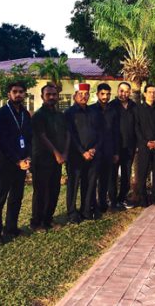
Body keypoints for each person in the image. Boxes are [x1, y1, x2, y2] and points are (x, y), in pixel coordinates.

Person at [0, 81, 32, 246]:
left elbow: (29, 138)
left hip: (22, 163)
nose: (18, 94)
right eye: (15, 91)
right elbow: (2, 142)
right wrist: (17, 160)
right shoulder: (1, 114)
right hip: (6, 162)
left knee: (16, 197)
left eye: (21, 91)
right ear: (9, 94)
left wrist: (28, 158)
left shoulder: (25, 114)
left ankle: (11, 228)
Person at [30, 83, 69, 231]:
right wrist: (57, 153)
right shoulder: (38, 116)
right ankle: (36, 222)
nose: (52, 97)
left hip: (57, 161)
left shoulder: (60, 115)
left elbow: (67, 134)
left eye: (54, 94)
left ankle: (48, 220)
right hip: (42, 159)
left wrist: (64, 153)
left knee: (54, 190)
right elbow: (42, 136)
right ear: (42, 97)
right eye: (48, 95)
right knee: (41, 192)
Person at [65, 83, 104, 221]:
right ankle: (71, 212)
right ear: (75, 95)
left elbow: (100, 133)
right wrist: (82, 151)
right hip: (76, 155)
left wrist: (94, 149)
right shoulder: (69, 113)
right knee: (73, 184)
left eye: (86, 94)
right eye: (80, 94)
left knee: (90, 183)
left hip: (93, 154)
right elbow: (71, 135)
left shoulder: (94, 112)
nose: (83, 96)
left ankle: (86, 210)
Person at [89, 83, 120, 213]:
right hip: (94, 150)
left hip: (109, 150)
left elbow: (116, 132)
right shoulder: (90, 110)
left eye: (108, 94)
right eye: (102, 94)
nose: (105, 96)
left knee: (105, 179)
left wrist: (116, 152)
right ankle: (91, 205)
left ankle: (103, 204)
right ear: (97, 94)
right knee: (92, 180)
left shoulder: (113, 111)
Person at [108, 82, 136, 209]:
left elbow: (137, 127)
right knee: (112, 175)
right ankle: (113, 201)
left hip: (129, 148)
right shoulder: (111, 107)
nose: (123, 93)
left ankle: (122, 198)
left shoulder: (134, 107)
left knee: (126, 174)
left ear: (129, 92)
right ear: (117, 91)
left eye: (126, 91)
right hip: (115, 147)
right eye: (121, 90)